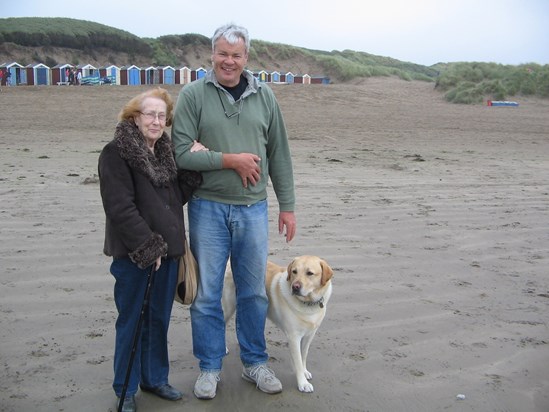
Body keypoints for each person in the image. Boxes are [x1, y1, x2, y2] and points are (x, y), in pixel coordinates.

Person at [171, 23, 297, 400]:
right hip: (207, 209)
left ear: (246, 58)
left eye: (236, 55)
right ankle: (209, 367)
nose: (229, 61)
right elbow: (179, 153)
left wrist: (287, 206)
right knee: (208, 294)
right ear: (212, 55)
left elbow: (279, 154)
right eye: (222, 54)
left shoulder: (265, 96)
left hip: (253, 210)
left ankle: (255, 362)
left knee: (253, 292)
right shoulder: (193, 95)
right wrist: (230, 161)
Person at [99, 87, 198, 412]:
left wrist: (192, 171)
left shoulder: (164, 153)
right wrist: (148, 246)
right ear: (134, 117)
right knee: (132, 321)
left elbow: (170, 203)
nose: (156, 121)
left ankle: (154, 379)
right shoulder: (116, 153)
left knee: (158, 319)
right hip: (134, 257)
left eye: (161, 115)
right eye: (149, 114)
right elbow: (120, 208)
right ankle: (125, 388)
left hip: (168, 255)